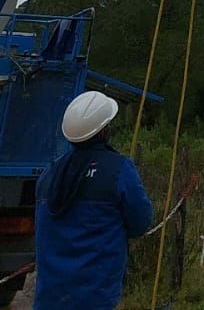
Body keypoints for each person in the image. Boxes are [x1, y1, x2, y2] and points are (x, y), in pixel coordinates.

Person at [34, 90, 153, 310]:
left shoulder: (50, 173)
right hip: (94, 297)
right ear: (105, 129)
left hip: (49, 298)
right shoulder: (119, 170)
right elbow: (141, 222)